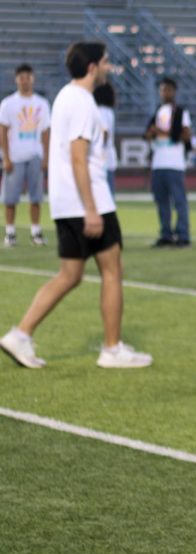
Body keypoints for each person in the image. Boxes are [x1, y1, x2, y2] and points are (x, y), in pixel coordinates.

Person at [0, 42, 151, 369]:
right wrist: (92, 209)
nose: (109, 68)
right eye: (107, 63)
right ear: (93, 67)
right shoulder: (82, 102)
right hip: (88, 201)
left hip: (67, 202)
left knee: (70, 275)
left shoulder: (66, 97)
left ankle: (21, 334)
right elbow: (79, 158)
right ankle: (112, 349)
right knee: (112, 270)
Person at [0, 63, 51, 247]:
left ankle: (36, 231)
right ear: (16, 80)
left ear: (33, 79)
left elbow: (46, 132)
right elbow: (3, 131)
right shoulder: (8, 103)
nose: (25, 81)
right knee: (10, 198)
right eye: (21, 77)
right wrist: (5, 157)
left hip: (35, 154)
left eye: (28, 77)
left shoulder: (42, 104)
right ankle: (10, 233)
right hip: (15, 156)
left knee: (36, 197)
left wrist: (46, 156)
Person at [144, 77, 191, 247]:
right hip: (158, 162)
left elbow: (186, 135)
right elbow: (148, 133)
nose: (165, 93)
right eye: (162, 90)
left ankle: (183, 234)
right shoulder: (157, 111)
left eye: (168, 90)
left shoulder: (180, 111)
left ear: (174, 91)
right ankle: (166, 233)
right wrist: (151, 133)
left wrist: (162, 132)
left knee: (179, 200)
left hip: (174, 163)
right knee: (161, 200)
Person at [93, 83, 118, 196]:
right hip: (109, 158)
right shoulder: (109, 111)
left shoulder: (101, 111)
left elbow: (104, 133)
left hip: (101, 160)